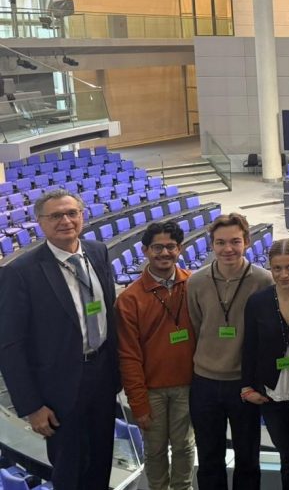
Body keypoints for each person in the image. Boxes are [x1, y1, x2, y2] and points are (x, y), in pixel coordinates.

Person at [0, 189, 120, 489]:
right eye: (55, 216)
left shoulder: (98, 252)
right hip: (59, 388)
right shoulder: (20, 272)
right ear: (40, 222)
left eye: (71, 213)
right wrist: (31, 406)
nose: (65, 221)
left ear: (82, 216)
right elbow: (10, 345)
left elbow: (109, 311)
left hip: (103, 375)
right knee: (69, 468)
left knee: (101, 460)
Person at [187, 212, 273, 490]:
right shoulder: (196, 282)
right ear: (211, 244)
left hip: (244, 383)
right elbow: (197, 325)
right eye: (220, 242)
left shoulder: (264, 280)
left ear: (247, 241)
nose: (228, 249)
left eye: (235, 241)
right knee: (209, 458)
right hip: (205, 382)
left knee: (248, 459)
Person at [116, 221, 196, 490]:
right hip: (152, 391)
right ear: (145, 251)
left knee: (185, 446)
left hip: (188, 386)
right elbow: (128, 356)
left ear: (180, 249)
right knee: (155, 450)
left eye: (171, 247)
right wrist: (138, 403)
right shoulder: (129, 299)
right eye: (157, 247)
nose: (164, 253)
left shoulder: (194, 285)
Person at [241, 238, 289, 490]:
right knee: (288, 460)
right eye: (277, 268)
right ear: (270, 268)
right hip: (273, 394)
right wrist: (247, 387)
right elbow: (250, 346)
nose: (284, 274)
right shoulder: (257, 302)